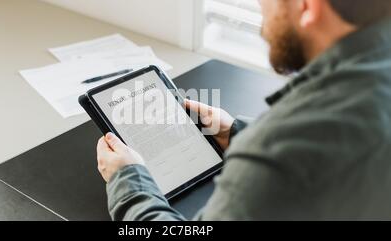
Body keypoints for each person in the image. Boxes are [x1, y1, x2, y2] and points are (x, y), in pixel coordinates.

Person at [96, 0, 391, 220]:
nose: (263, 13)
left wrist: (128, 181)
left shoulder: (281, 146)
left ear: (306, 6)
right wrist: (233, 132)